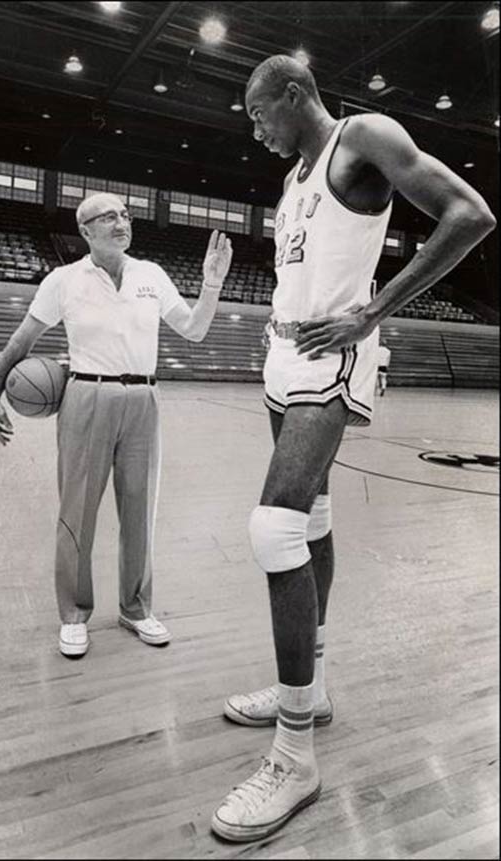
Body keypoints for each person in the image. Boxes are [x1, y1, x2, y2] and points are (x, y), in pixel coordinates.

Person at [211, 54, 496, 843]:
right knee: (314, 516)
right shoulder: (296, 178)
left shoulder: (360, 136)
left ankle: (294, 755)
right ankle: (313, 689)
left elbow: (470, 214)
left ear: (295, 94)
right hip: (282, 356)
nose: (257, 130)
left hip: (333, 357)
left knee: (272, 530)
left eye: (260, 114)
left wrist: (371, 317)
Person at [0, 192, 232, 658]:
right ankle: (75, 614)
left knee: (139, 510)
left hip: (144, 397)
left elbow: (195, 329)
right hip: (85, 395)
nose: (121, 222)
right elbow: (23, 339)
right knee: (77, 511)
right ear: (85, 230)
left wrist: (212, 285)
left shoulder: (151, 275)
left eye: (125, 214)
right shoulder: (63, 280)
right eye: (108, 217)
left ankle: (135, 608)